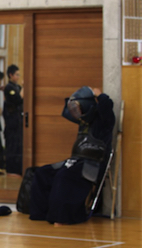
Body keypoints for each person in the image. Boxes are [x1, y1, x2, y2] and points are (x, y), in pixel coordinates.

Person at [29, 87, 115, 225]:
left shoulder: (103, 121)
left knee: (64, 176)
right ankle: (41, 214)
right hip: (76, 161)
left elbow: (107, 106)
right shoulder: (84, 122)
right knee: (42, 173)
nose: (76, 111)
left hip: (93, 164)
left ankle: (61, 217)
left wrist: (100, 95)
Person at [3, 65, 24, 176]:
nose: (18, 77)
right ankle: (11, 169)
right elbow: (17, 99)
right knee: (12, 145)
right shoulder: (9, 88)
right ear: (11, 75)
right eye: (16, 74)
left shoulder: (18, 87)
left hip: (18, 121)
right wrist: (25, 87)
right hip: (11, 121)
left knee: (18, 145)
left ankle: (18, 168)